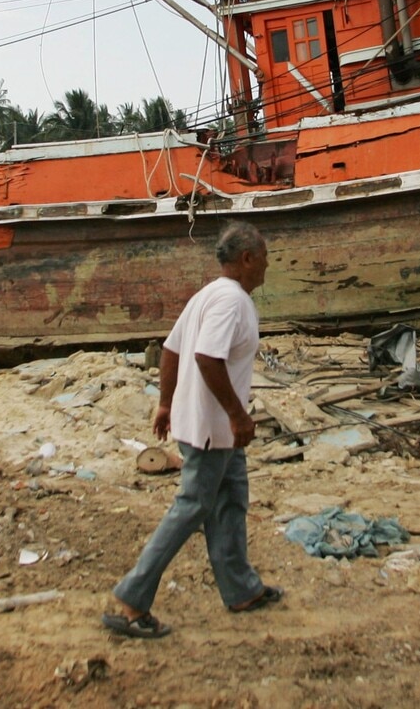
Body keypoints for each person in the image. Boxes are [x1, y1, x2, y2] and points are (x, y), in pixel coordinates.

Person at [102, 220, 284, 639]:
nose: (267, 268)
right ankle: (131, 599)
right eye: (265, 259)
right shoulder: (231, 302)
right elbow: (205, 357)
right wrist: (238, 415)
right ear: (247, 259)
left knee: (231, 498)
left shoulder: (207, 295)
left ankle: (242, 589)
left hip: (205, 424)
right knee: (192, 507)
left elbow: (170, 349)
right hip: (211, 427)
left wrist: (166, 403)